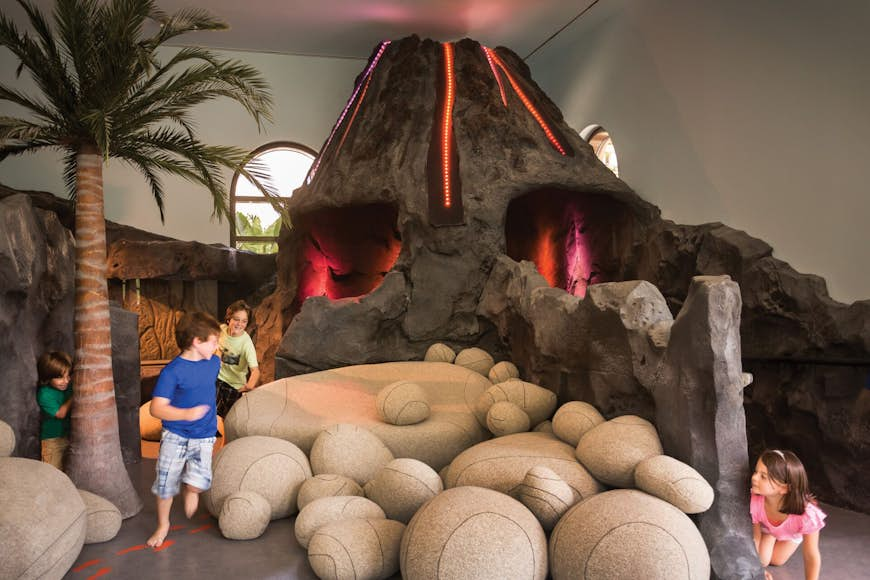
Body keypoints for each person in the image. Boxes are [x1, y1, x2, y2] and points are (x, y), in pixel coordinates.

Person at [146, 311, 221, 548]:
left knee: (198, 483)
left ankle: (192, 489)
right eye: (214, 341)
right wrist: (185, 414)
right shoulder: (172, 372)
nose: (218, 346)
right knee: (165, 483)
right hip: (175, 435)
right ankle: (162, 524)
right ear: (197, 342)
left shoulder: (214, 363)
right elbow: (156, 408)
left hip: (205, 435)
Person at [750, 449, 826, 580]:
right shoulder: (755, 499)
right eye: (756, 472)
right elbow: (755, 538)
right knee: (763, 560)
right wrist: (758, 570)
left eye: (763, 476)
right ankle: (770, 536)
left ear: (784, 488)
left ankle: (772, 536)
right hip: (767, 529)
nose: (754, 478)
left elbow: (811, 555)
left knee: (777, 560)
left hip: (791, 533)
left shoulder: (807, 516)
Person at [215, 300, 260, 417]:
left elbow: (255, 370)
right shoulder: (221, 330)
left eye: (244, 321)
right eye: (236, 319)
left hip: (235, 385)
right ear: (229, 318)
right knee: (211, 410)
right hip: (217, 378)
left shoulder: (246, 343)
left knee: (228, 418)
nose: (240, 324)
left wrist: (248, 386)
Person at [36, 351, 74, 470]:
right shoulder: (44, 394)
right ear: (47, 377)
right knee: (52, 473)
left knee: (69, 471)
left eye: (68, 376)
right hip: (52, 441)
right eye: (60, 377)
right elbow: (60, 414)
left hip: (69, 436)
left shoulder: (68, 387)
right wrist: (75, 395)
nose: (66, 381)